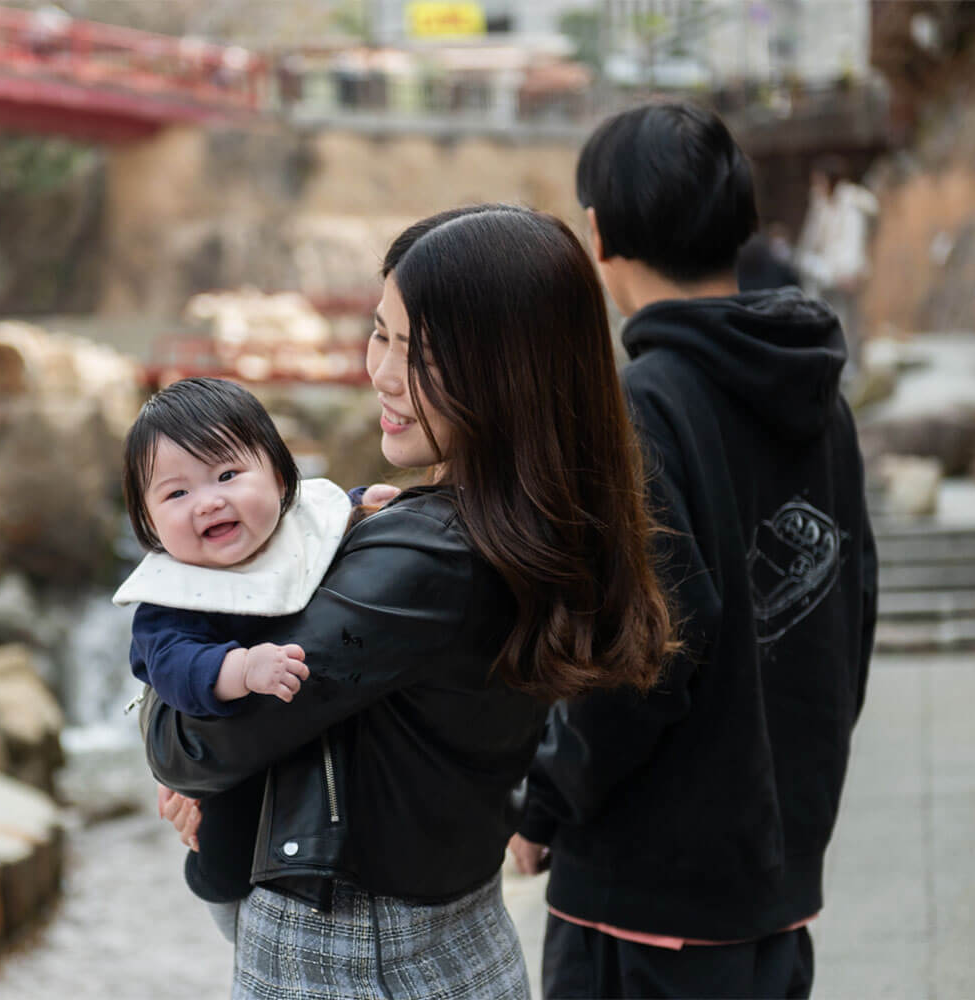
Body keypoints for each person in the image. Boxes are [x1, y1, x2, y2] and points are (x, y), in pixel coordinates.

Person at [145, 204, 678, 999]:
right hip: (457, 931)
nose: (383, 373)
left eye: (422, 354)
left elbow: (187, 741)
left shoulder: (424, 559)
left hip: (350, 956)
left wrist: (190, 732)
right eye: (381, 334)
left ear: (509, 369)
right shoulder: (537, 523)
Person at [509, 101, 878, 999]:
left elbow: (632, 660)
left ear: (598, 234)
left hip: (647, 900)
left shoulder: (640, 408)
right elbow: (853, 608)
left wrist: (542, 804)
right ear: (739, 221)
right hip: (776, 871)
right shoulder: (820, 400)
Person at [114, 375, 394, 942]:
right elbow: (173, 668)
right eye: (176, 494)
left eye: (227, 475)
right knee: (223, 853)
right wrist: (240, 669)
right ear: (148, 522)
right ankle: (229, 917)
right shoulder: (173, 597)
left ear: (281, 475)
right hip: (231, 763)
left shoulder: (303, 524)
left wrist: (365, 506)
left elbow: (328, 520)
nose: (208, 501)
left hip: (327, 764)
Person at [796, 156, 878, 346]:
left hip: (843, 275)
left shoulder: (851, 205)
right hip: (824, 274)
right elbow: (811, 241)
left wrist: (848, 271)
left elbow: (852, 240)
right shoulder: (821, 204)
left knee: (846, 323)